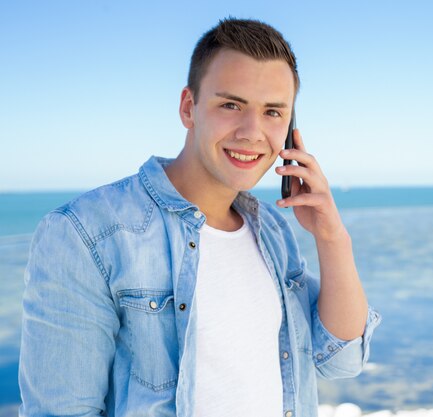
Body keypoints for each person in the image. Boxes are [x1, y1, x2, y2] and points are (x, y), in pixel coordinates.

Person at [18, 18, 381, 417]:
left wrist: (331, 236)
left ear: (291, 127)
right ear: (189, 108)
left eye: (273, 112)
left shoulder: (272, 231)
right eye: (231, 105)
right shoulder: (86, 233)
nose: (252, 132)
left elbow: (341, 361)